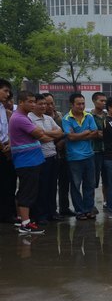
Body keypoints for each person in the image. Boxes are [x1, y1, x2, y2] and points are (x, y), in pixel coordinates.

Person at [10, 91, 52, 234]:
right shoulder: (20, 119)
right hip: (27, 161)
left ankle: (22, 219)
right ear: (21, 102)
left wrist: (43, 133)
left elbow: (42, 134)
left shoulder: (23, 117)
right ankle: (26, 224)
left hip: (31, 160)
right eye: (30, 101)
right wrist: (43, 133)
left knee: (25, 191)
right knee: (27, 192)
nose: (33, 104)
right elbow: (41, 134)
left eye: (34, 101)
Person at [62, 92, 99, 220]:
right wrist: (86, 132)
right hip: (74, 158)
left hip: (89, 155)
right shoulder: (67, 119)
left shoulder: (88, 116)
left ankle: (89, 209)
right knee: (76, 186)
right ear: (72, 105)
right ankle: (79, 210)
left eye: (83, 103)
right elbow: (70, 137)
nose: (81, 106)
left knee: (89, 185)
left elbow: (95, 133)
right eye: (78, 104)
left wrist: (79, 135)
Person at [29, 94, 63, 225]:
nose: (44, 106)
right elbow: (40, 138)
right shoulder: (29, 119)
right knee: (41, 187)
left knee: (52, 186)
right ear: (33, 105)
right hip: (39, 157)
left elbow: (60, 133)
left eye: (46, 104)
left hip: (52, 156)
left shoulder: (49, 118)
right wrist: (50, 135)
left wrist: (44, 133)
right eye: (41, 104)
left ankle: (51, 212)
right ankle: (40, 215)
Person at [0, 79, 15, 223]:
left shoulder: (3, 109)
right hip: (2, 150)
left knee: (9, 183)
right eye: (5, 90)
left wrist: (10, 143)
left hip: (7, 149)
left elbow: (7, 130)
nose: (7, 94)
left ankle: (8, 213)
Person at [89, 92, 108, 210]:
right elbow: (91, 133)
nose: (103, 103)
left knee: (107, 178)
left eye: (105, 101)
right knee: (92, 180)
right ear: (94, 101)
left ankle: (107, 201)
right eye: (101, 101)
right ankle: (91, 204)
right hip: (94, 150)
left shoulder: (107, 116)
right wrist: (98, 134)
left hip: (107, 151)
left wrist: (101, 134)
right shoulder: (89, 116)